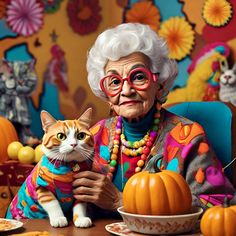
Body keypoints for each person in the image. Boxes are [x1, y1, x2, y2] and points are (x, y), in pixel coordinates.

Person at [73, 23, 236, 214]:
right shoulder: (92, 136)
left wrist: (122, 201)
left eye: (138, 77)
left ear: (159, 85)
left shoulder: (188, 136)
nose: (126, 90)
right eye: (115, 82)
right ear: (106, 96)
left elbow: (218, 203)